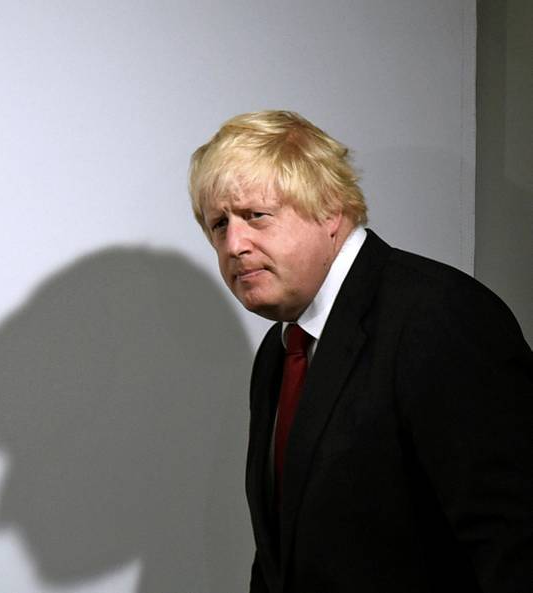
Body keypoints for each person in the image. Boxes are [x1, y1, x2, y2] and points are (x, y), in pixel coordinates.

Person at [189, 110, 533, 593]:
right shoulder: (281, 349)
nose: (234, 244)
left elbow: (513, 544)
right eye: (219, 224)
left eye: (255, 215)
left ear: (331, 210)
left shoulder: (439, 315)